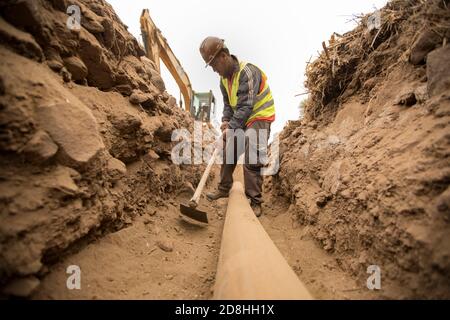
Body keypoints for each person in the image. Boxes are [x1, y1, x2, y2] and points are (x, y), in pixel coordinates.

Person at [199, 36, 275, 217]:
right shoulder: (224, 80)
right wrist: (226, 121)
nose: (214, 70)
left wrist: (232, 127)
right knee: (230, 149)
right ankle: (224, 188)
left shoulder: (247, 72)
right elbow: (228, 105)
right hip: (242, 117)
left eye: (214, 65)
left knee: (252, 156)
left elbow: (246, 106)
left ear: (224, 56)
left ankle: (255, 200)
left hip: (259, 116)